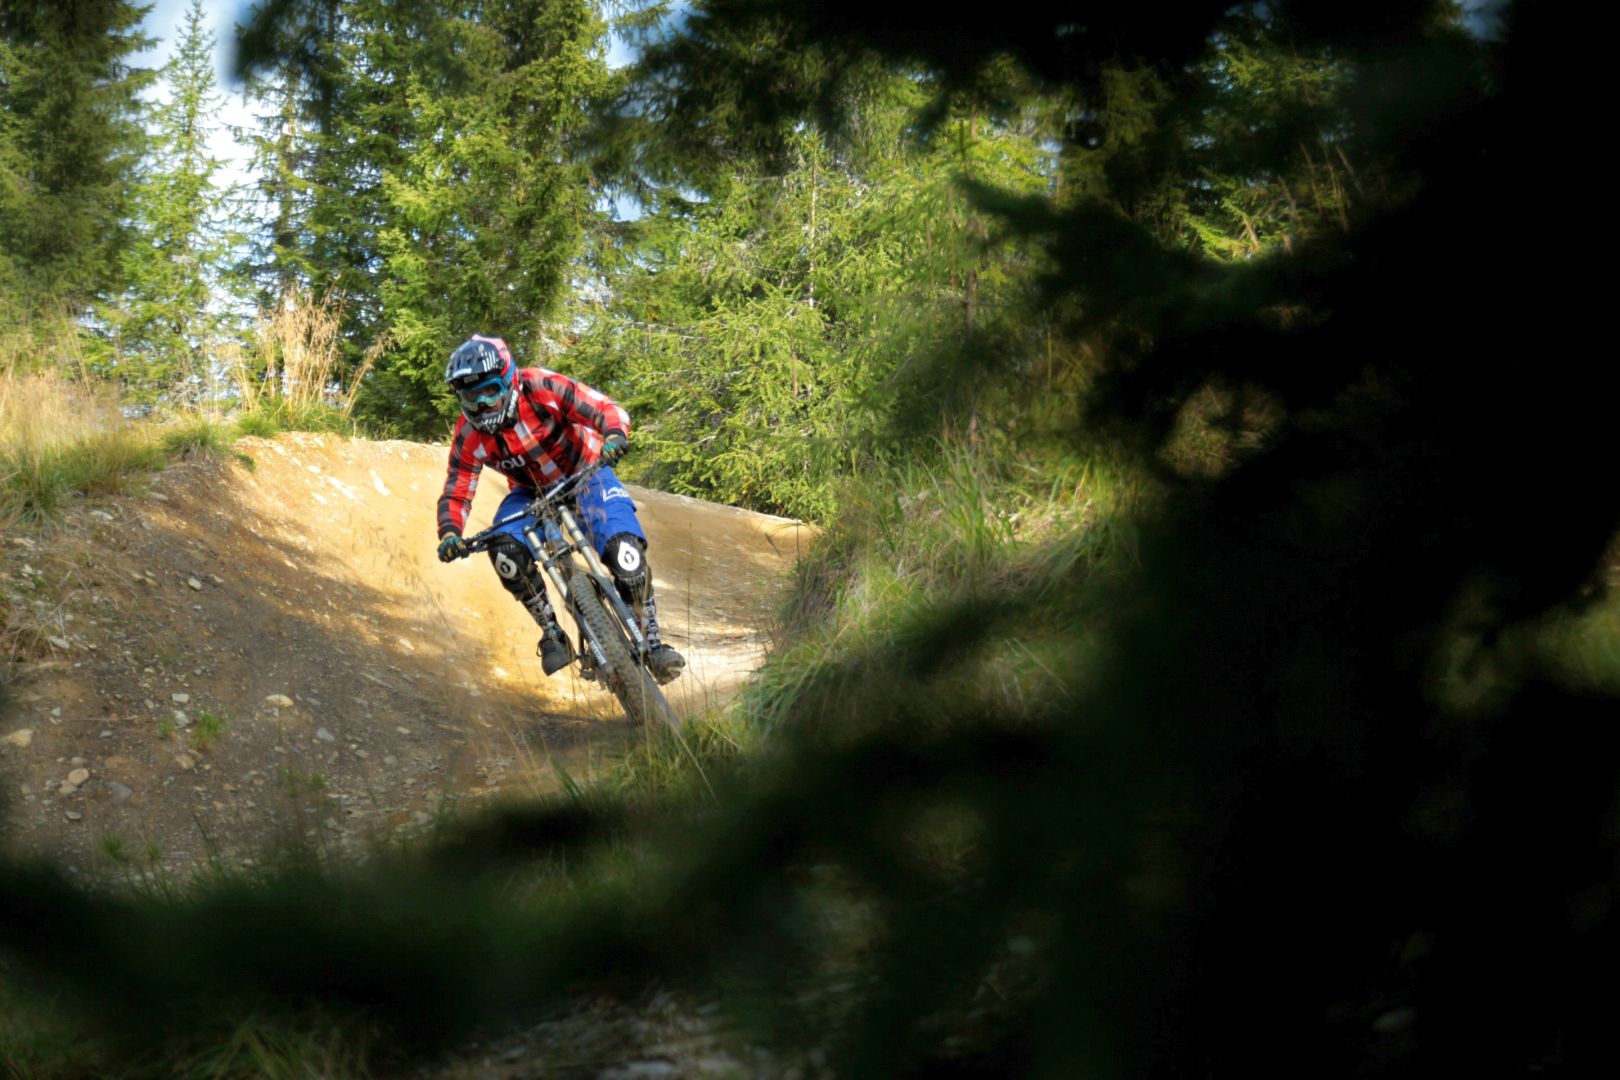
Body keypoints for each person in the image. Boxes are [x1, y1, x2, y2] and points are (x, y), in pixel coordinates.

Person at [434, 334, 685, 683]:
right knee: (505, 550)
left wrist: (614, 434)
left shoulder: (540, 387)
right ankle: (551, 631)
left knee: (624, 552)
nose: (481, 405)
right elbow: (457, 489)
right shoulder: (469, 434)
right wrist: (450, 532)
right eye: (470, 398)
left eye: (489, 392)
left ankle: (653, 643)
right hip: (530, 494)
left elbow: (602, 407)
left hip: (587, 473)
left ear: (508, 379)